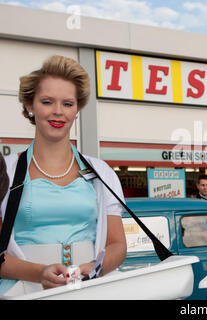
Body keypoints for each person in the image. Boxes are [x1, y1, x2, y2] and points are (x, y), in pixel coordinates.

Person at [0, 56, 127, 295]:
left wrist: (93, 270)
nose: (58, 112)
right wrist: (39, 273)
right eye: (47, 102)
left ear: (77, 109)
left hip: (89, 290)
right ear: (30, 105)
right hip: (23, 291)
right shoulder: (4, 171)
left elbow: (118, 245)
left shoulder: (102, 173)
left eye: (68, 104)